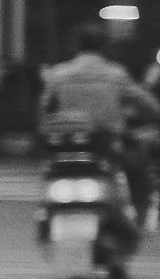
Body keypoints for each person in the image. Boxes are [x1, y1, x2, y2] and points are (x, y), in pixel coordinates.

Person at [41, 21, 160, 227]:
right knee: (138, 171)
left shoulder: (59, 74)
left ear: (75, 46)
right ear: (105, 47)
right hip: (107, 145)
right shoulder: (116, 74)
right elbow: (147, 103)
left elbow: (45, 109)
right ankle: (139, 221)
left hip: (65, 146)